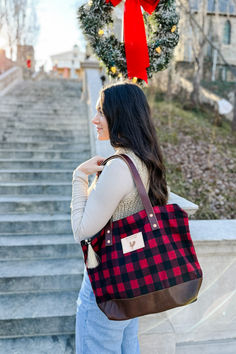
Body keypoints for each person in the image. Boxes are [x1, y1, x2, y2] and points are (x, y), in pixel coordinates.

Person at [70, 81, 169, 354]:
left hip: (106, 284)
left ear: (120, 114)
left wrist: (79, 176)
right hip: (131, 279)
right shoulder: (145, 160)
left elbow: (81, 230)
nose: (95, 119)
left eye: (101, 112)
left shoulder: (120, 167)